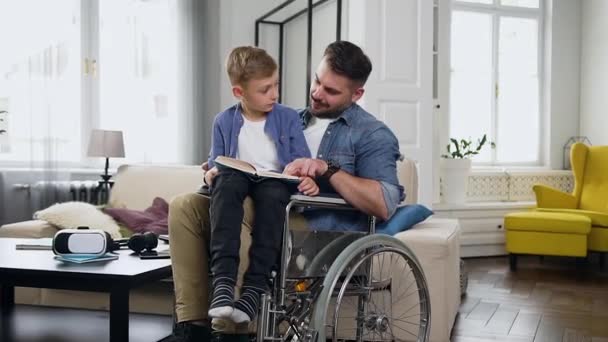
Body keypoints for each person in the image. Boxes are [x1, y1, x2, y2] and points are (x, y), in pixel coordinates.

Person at [163, 41, 403, 342]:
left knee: (249, 211)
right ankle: (193, 326)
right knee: (185, 206)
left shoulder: (372, 134)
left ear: (357, 95)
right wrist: (222, 168)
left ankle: (232, 333)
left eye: (331, 91)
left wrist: (326, 169)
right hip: (266, 204)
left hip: (317, 229)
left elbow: (383, 203)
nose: (317, 93)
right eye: (317, 81)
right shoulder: (288, 117)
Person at [204, 46, 319, 327]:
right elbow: (214, 161)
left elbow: (302, 159)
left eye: (276, 85)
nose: (274, 94)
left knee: (271, 194)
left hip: (275, 181)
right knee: (226, 183)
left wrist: (306, 176)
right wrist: (209, 173)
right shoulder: (223, 121)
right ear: (239, 93)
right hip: (238, 178)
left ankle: (254, 289)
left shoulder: (287, 117)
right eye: (265, 89)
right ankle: (223, 282)